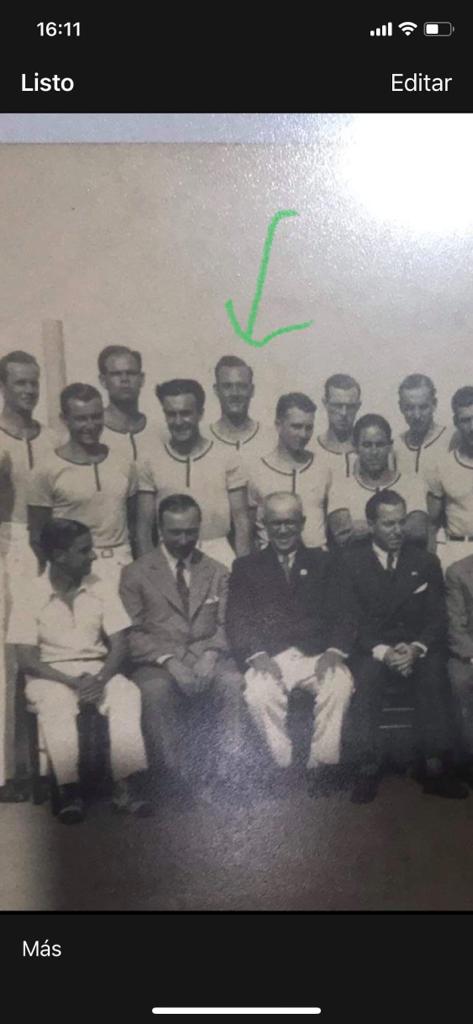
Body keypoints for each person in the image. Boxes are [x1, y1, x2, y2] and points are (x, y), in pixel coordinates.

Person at [7, 519, 149, 823]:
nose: (93, 556)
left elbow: (120, 644)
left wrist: (100, 678)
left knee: (127, 693)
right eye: (84, 550)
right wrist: (71, 682)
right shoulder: (29, 592)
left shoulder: (101, 586)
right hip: (49, 674)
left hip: (98, 670)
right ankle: (69, 790)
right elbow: (27, 659)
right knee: (57, 702)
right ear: (59, 555)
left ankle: (125, 786)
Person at [340, 489, 466, 803]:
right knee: (365, 677)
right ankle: (367, 767)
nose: (397, 530)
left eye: (401, 522)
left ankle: (435, 766)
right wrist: (383, 652)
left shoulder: (425, 561)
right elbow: (350, 620)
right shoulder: (350, 563)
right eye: (388, 524)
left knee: (434, 674)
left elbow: (436, 617)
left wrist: (416, 648)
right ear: (371, 525)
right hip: (373, 648)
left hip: (416, 646)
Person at [225, 492, 355, 794]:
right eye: (276, 523)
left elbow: (346, 613)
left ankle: (320, 766)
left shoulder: (326, 562)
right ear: (264, 525)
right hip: (271, 656)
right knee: (258, 693)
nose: (283, 530)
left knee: (339, 684)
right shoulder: (246, 566)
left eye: (290, 523)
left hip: (317, 655)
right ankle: (281, 766)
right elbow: (238, 618)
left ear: (303, 523)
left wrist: (334, 651)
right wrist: (256, 655)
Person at [120, 494, 244, 793]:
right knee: (155, 690)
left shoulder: (217, 570)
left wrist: (210, 655)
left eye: (191, 531)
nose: (184, 540)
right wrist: (172, 662)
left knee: (232, 683)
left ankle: (229, 774)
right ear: (160, 530)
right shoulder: (135, 572)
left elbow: (228, 623)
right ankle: (174, 780)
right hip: (158, 662)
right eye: (175, 532)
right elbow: (132, 633)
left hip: (209, 656)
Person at [0, 351, 55, 800]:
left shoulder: (52, 437)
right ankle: (7, 773)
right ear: (3, 386)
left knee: (46, 649)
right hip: (6, 544)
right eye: (19, 382)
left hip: (46, 547)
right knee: (6, 660)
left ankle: (48, 769)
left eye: (34, 382)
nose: (29, 390)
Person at [27, 383, 137, 585]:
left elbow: (135, 524)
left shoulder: (123, 462)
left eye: (96, 416)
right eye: (81, 418)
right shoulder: (46, 469)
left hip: (122, 563)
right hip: (74, 569)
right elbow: (38, 535)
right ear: (65, 419)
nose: (90, 425)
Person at [135, 379, 251, 569]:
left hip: (217, 550)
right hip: (169, 554)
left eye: (186, 413)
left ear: (200, 413)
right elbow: (144, 528)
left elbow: (241, 521)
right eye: (171, 414)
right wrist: (151, 573)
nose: (179, 422)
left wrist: (243, 570)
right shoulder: (150, 460)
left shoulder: (227, 457)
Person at [327, 414, 429, 548]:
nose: (374, 452)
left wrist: (367, 527)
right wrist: (397, 526)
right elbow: (343, 535)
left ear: (390, 446)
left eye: (380, 445)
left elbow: (418, 530)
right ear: (355, 447)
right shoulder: (342, 487)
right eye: (367, 445)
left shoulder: (411, 483)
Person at [247, 393, 331, 550]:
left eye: (309, 428)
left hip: (317, 558)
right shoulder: (257, 470)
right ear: (278, 425)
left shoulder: (322, 467)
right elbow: (249, 526)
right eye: (296, 426)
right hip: (271, 558)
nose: (303, 434)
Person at [426, 387, 473, 573]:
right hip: (458, 550)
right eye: (466, 420)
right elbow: (432, 525)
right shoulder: (442, 466)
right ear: (456, 422)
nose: (472, 427)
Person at [445, 555, 473, 784]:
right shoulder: (459, 571)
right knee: (460, 682)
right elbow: (455, 625)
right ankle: (468, 760)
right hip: (468, 653)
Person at [98, 345, 149, 461]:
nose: (125, 379)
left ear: (141, 379)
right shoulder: (93, 433)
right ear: (103, 380)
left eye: (131, 373)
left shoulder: (157, 431)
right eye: (116, 374)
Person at [395, 374, 450, 481]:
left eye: (423, 407)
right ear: (400, 407)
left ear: (434, 404)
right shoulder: (395, 446)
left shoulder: (451, 440)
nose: (417, 415)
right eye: (410, 408)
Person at [210, 355, 266, 454]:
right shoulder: (203, 438)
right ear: (216, 390)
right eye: (227, 386)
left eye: (242, 386)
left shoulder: (269, 438)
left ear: (252, 390)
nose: (235, 393)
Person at [315, 373, 361, 473]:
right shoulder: (312, 450)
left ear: (358, 406)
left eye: (350, 406)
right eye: (337, 405)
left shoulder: (369, 452)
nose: (344, 413)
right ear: (325, 403)